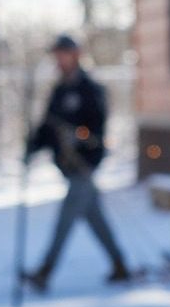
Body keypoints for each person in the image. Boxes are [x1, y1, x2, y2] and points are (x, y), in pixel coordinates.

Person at [22, 35, 132, 291]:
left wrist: (83, 145)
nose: (60, 60)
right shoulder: (59, 91)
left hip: (84, 167)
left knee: (65, 220)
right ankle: (120, 265)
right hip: (67, 167)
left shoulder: (90, 90)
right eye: (57, 55)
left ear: (75, 55)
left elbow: (97, 132)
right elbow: (47, 127)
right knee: (95, 219)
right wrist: (33, 146)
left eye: (64, 54)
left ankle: (45, 271)